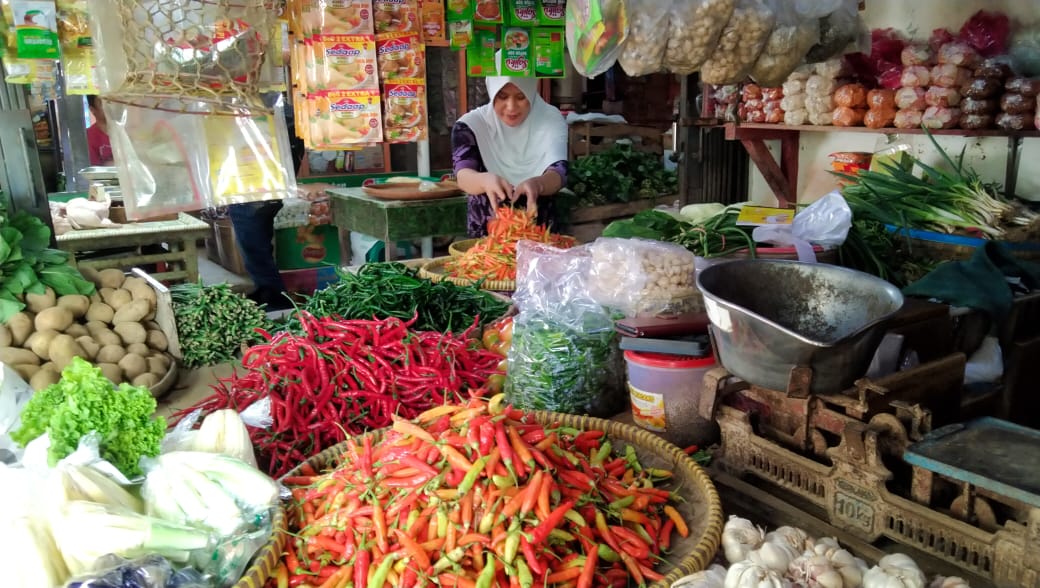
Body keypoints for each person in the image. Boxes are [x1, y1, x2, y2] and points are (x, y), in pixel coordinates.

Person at [452, 54, 569, 238]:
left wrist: (538, 184)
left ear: (532, 90)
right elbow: (463, 175)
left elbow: (560, 172)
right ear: (492, 92)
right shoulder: (471, 125)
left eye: (521, 96)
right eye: (502, 96)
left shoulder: (550, 119)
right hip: (488, 233)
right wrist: (484, 181)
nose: (511, 107)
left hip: (540, 230)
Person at [86, 95, 113, 166]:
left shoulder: (128, 130)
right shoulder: (88, 137)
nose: (109, 106)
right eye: (102, 103)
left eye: (110, 101)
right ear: (92, 110)